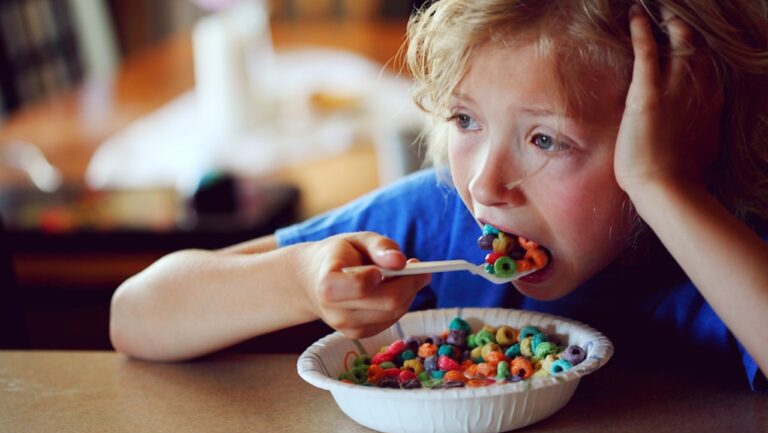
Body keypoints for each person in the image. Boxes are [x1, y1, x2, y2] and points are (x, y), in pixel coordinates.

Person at [109, 0, 768, 390]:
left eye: (546, 141)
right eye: (465, 121)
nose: (484, 183)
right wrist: (302, 280)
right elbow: (136, 315)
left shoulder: (725, 248)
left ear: (682, 139)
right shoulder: (436, 217)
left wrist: (663, 187)